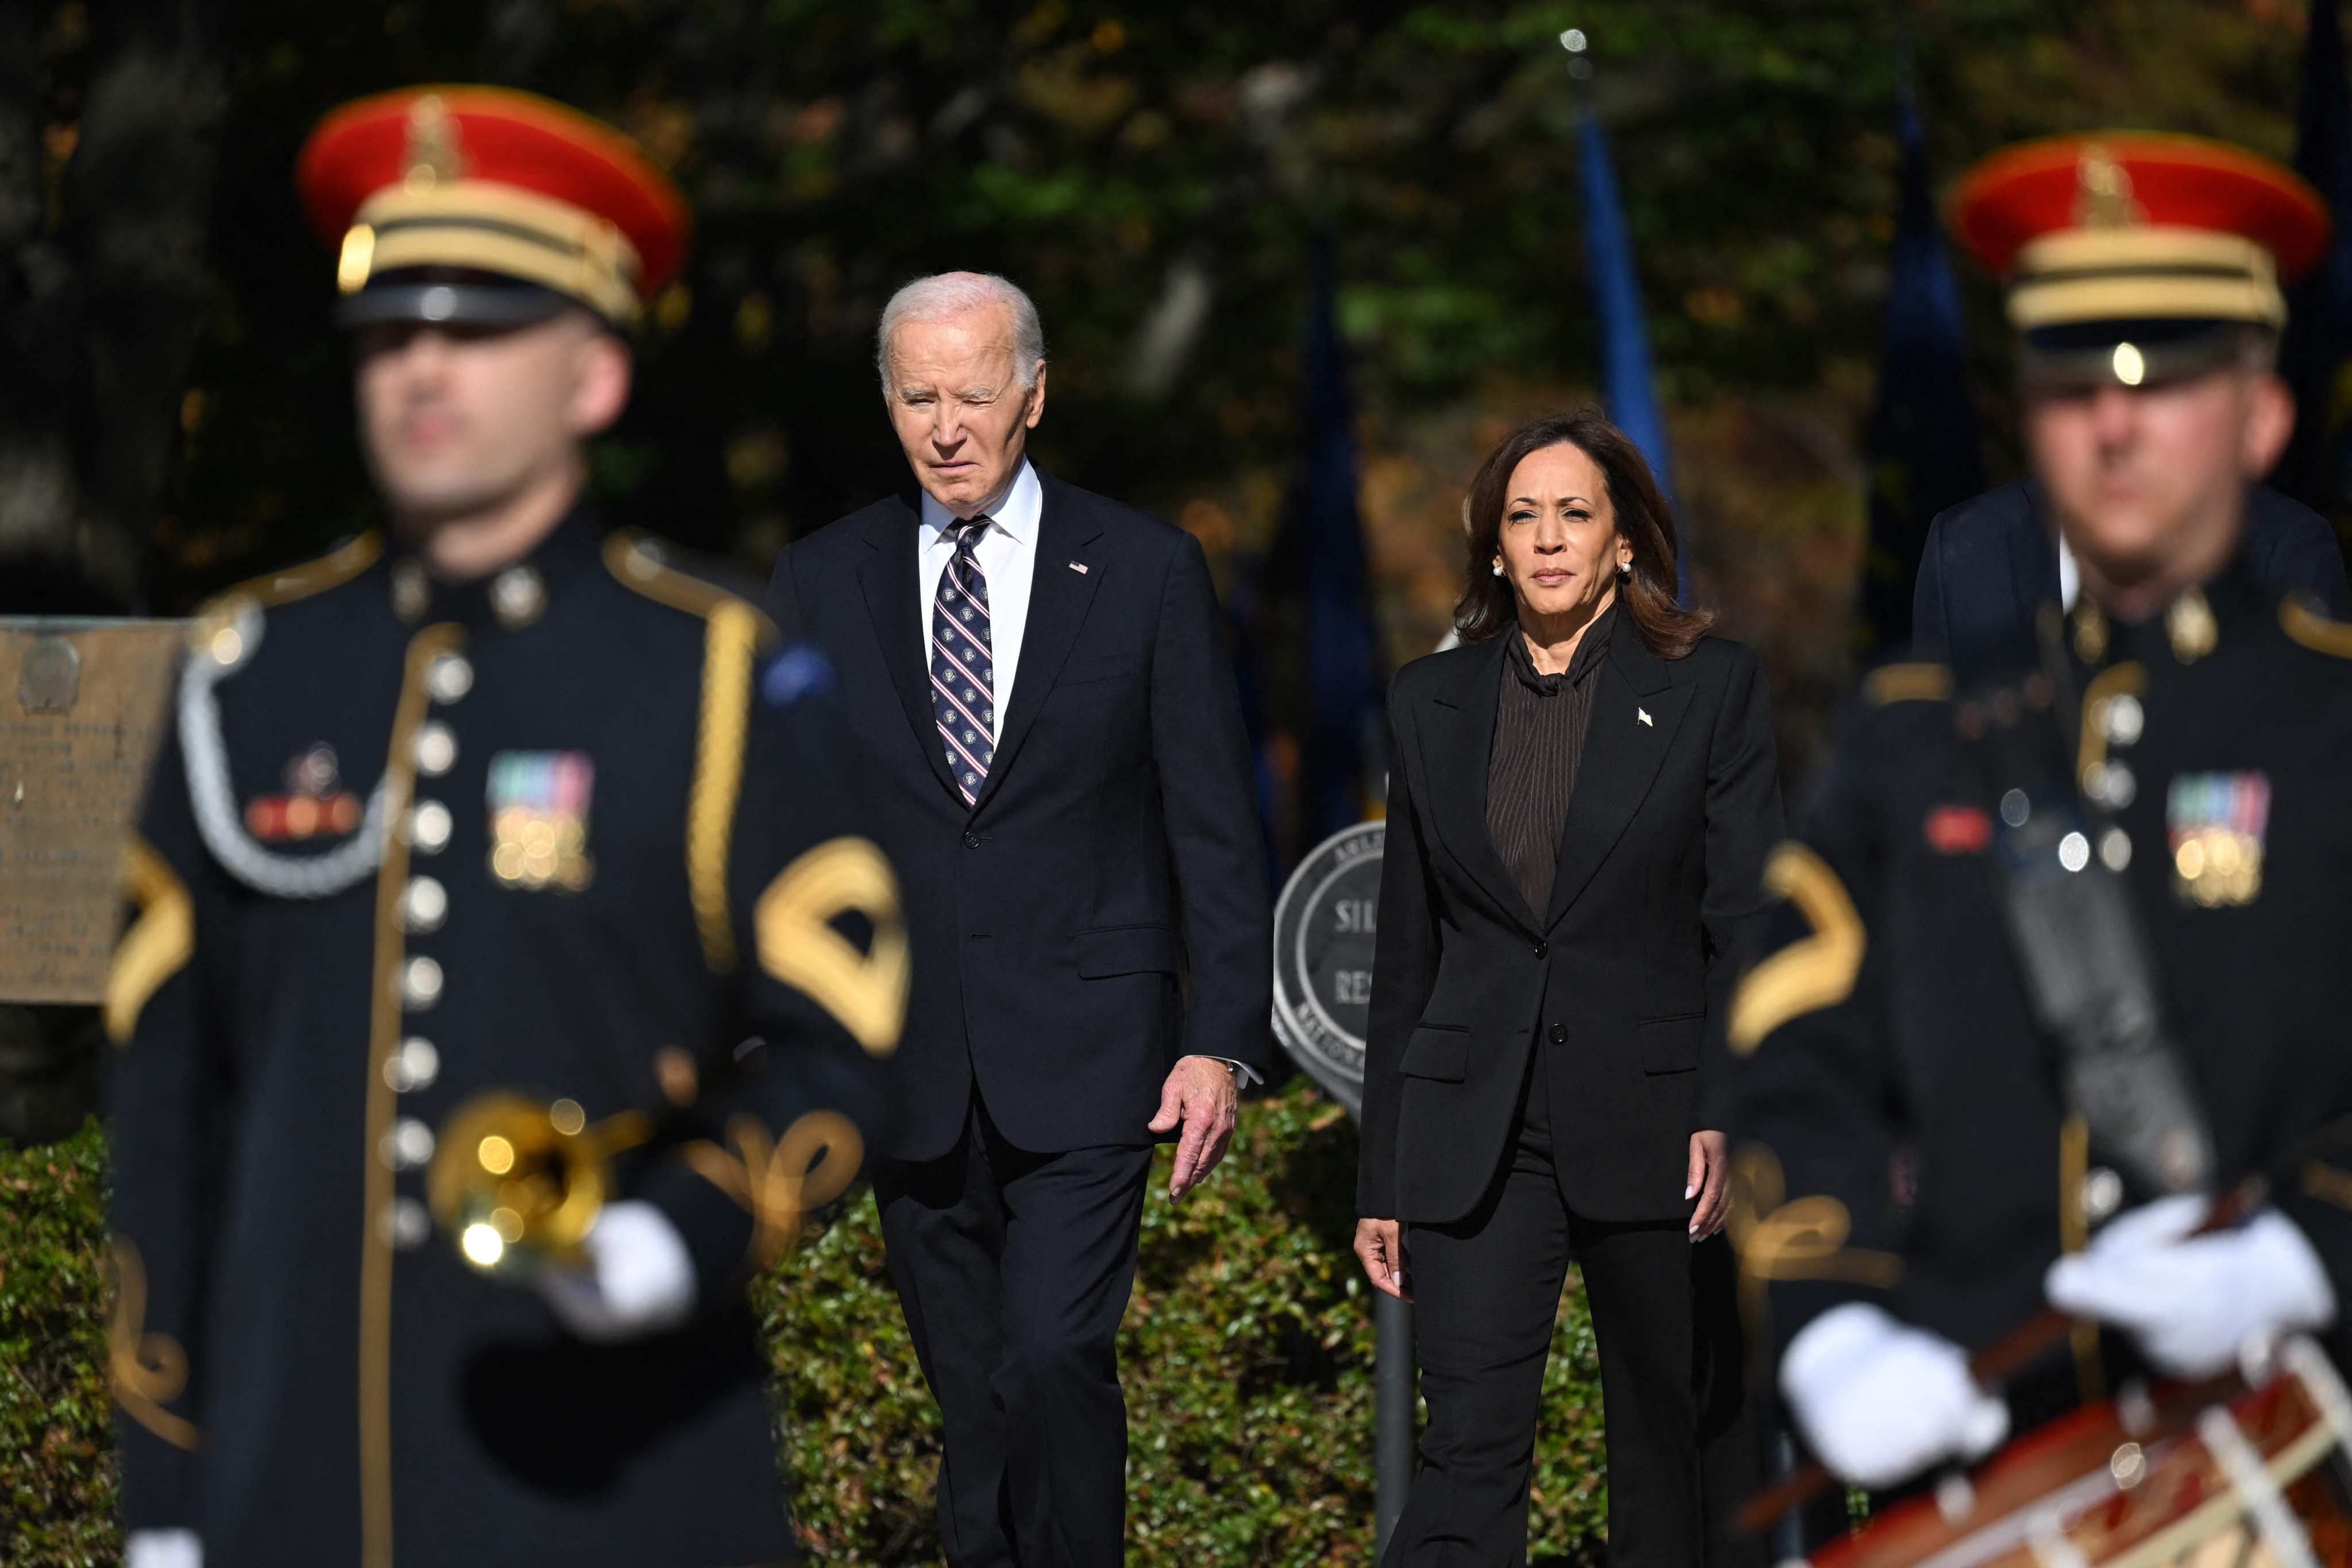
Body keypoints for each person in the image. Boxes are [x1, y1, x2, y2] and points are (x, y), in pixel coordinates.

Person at [106, 87, 907, 1568]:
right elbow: (171, 1115)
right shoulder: (251, 671)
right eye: (392, 336)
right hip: (295, 1496)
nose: (423, 370)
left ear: (594, 377)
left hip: (618, 1485)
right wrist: (165, 1505)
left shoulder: (715, 669)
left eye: (476, 335)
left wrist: (681, 1231)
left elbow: (841, 1040)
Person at [1726, 133, 2352, 1499]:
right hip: (1988, 1475)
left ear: (2262, 416)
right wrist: (1829, 1329)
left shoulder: (2332, 722)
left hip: (2299, 1457)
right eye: (2071, 386)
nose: (2114, 425)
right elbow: (1797, 1042)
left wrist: (2305, 1251)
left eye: (2167, 380)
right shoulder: (1913, 735)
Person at [768, 272, 1273, 1566]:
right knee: (976, 1403)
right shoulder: (822, 579)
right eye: (918, 397)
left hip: (1094, 1049)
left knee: (1054, 1356)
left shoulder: (1147, 570)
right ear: (887, 405)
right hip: (912, 1062)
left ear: (1034, 396)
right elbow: (788, 833)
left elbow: (1211, 825)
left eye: (974, 394)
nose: (947, 426)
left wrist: (1217, 1041)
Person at [1353, 409, 1783, 1566]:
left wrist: (1725, 1106)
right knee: (1467, 1456)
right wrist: (1382, 1171)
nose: (1548, 539)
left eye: (1574, 514)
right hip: (1474, 1124)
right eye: (1522, 517)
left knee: (1679, 1442)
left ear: (1624, 542)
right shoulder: (1425, 704)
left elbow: (1743, 921)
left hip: (1655, 1122)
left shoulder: (1710, 689)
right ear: (1492, 547)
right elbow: (1409, 948)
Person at [1911, 474, 2348, 675]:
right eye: (2077, 386)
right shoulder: (1966, 552)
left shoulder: (2286, 552)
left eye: (2156, 387)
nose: (2114, 420)